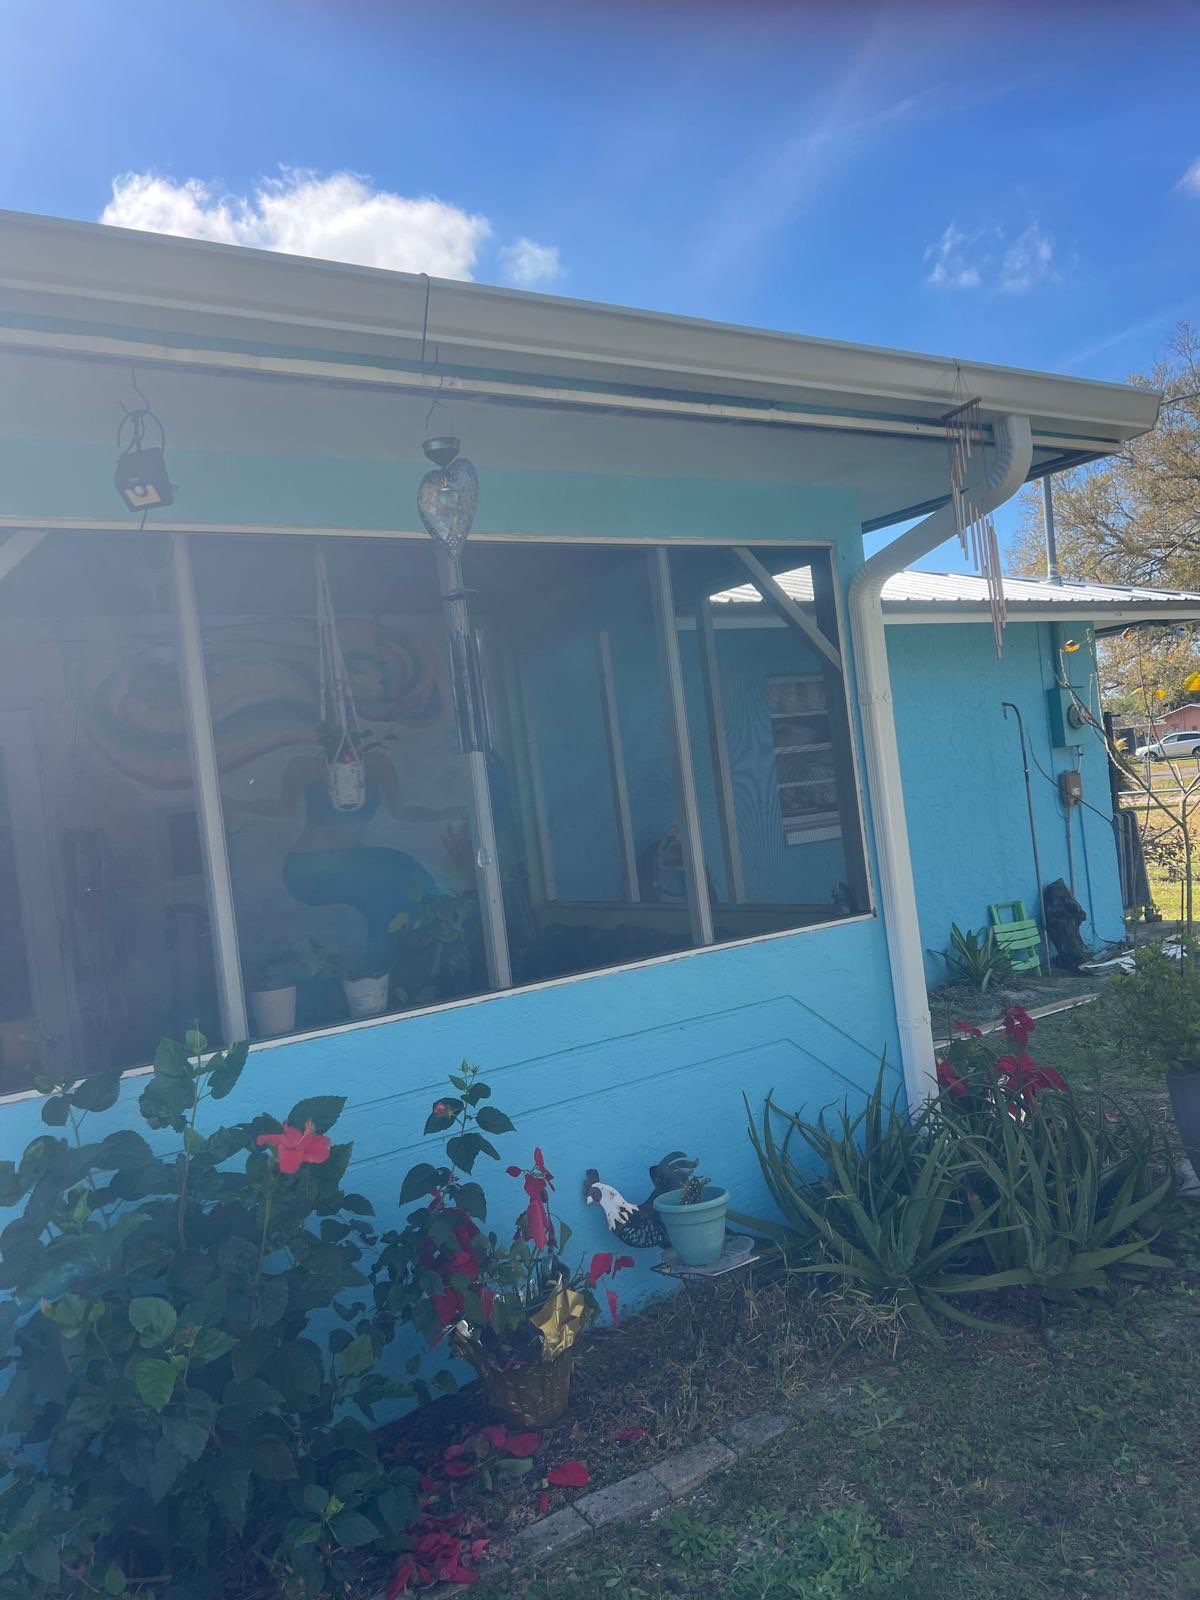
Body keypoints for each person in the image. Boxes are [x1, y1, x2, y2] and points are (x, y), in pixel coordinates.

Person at [231, 749, 464, 945]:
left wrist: (447, 813)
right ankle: (387, 959)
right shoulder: (306, 766)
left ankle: (419, 949)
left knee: (401, 879)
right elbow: (283, 809)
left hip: (353, 866)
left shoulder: (377, 764)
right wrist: (236, 806)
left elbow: (401, 812)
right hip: (309, 869)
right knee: (400, 871)